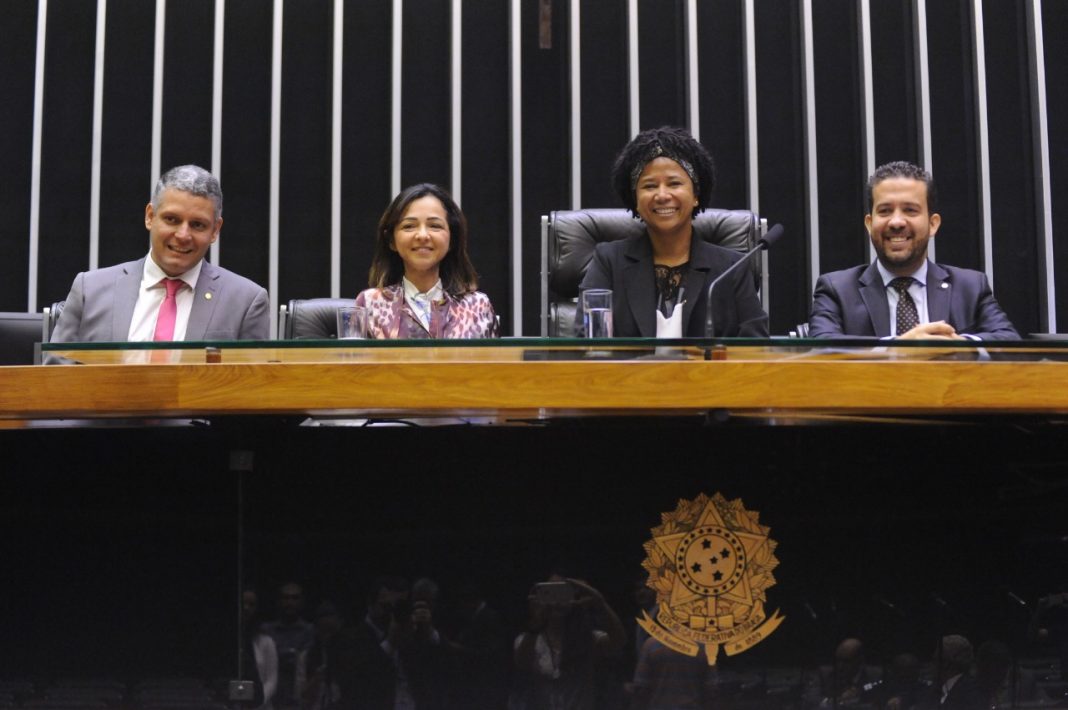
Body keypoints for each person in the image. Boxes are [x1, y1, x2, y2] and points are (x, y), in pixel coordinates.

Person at [577, 126, 768, 338]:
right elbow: (584, 342)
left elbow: (756, 344)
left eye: (674, 183)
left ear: (696, 195)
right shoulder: (609, 261)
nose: (662, 195)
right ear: (635, 200)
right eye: (650, 186)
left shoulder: (732, 268)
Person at [51, 165, 270, 343]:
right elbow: (55, 376)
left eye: (197, 225)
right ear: (150, 216)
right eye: (172, 219)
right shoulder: (90, 289)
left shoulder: (246, 302)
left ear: (215, 230)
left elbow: (254, 382)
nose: (183, 235)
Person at [809, 160, 1018, 340]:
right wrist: (899, 347)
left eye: (910, 210)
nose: (896, 222)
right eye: (885, 211)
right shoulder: (836, 290)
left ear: (933, 224)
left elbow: (1010, 342)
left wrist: (959, 346)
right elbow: (823, 347)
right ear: (869, 224)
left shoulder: (970, 287)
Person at [355, 183, 498, 339]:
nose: (422, 235)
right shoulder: (370, 303)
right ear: (391, 240)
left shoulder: (477, 306)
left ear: (452, 239)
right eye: (409, 226)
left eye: (434, 226)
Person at [512, 575, 626, 710]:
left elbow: (619, 641)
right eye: (550, 592)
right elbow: (522, 664)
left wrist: (599, 602)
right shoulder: (530, 639)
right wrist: (536, 621)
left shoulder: (588, 638)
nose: (557, 601)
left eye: (563, 592)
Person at [263, 582, 316, 710]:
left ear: (302, 602)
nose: (290, 602)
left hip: (302, 700)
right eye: (286, 598)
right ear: (278, 601)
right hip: (270, 699)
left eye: (294, 598)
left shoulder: (311, 631)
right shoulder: (266, 630)